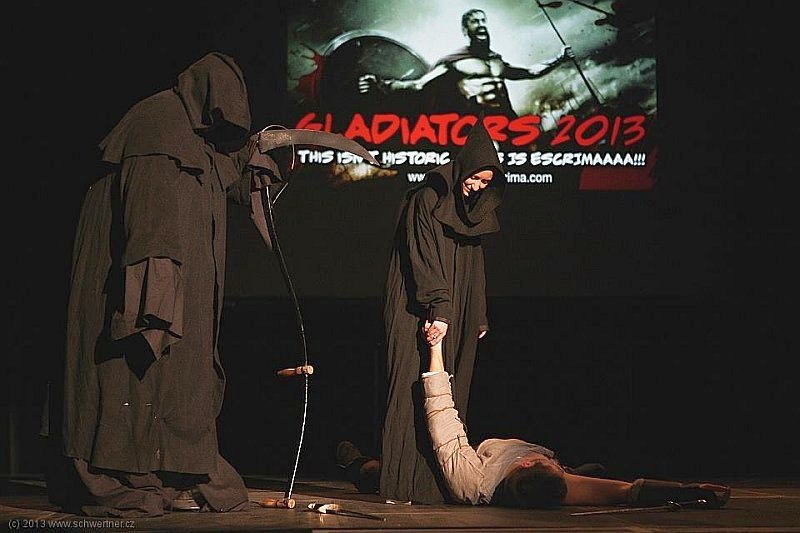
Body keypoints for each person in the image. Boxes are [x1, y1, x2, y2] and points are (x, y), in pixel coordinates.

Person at [51, 52, 254, 518]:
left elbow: (220, 177)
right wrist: (154, 303)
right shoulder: (156, 123)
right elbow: (150, 220)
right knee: (129, 379)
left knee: (180, 383)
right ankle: (129, 478)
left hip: (180, 285)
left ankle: (175, 473)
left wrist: (254, 160)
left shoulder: (190, 134)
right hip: (142, 285)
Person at [338, 340, 732, 509]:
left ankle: (358, 466)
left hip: (459, 464)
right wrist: (690, 493)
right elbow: (629, 491)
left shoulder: (474, 483)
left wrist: (435, 349)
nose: (553, 464)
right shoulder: (553, 482)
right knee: (597, 474)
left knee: (396, 475)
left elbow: (442, 419)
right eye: (556, 466)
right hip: (498, 452)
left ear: (527, 463)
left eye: (554, 466)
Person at [379, 117, 505, 504]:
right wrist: (439, 308)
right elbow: (422, 257)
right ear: (462, 168)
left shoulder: (473, 212)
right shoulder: (426, 199)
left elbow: (475, 267)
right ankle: (403, 484)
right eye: (475, 178)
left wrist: (477, 314)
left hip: (453, 307)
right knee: (410, 389)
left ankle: (436, 483)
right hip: (416, 306)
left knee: (449, 394)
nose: (477, 186)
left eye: (485, 182)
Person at [357, 8, 575, 117]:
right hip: (476, 124)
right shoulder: (454, 61)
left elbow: (531, 72)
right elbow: (419, 85)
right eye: (474, 22)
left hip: (507, 120)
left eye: (483, 21)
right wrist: (382, 85)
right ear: (465, 30)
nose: (481, 25)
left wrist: (560, 59)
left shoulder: (496, 60)